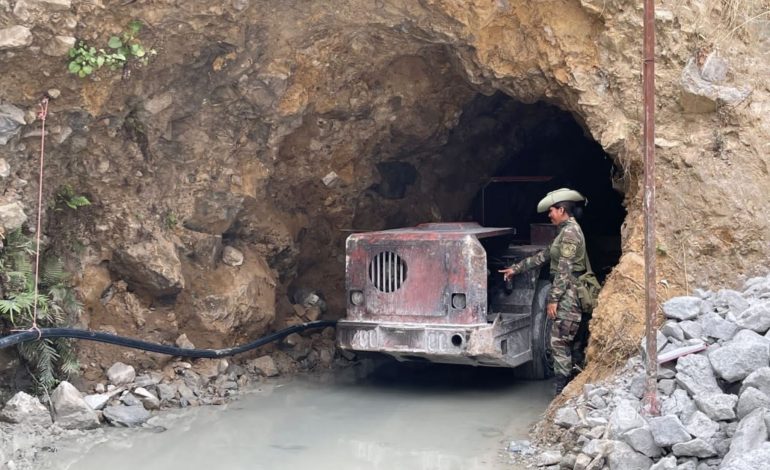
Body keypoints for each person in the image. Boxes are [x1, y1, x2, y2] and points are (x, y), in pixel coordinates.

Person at [498, 188, 591, 395]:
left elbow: (564, 270)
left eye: (551, 211)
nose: (549, 215)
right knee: (566, 339)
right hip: (567, 291)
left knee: (558, 340)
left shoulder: (570, 233)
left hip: (569, 293)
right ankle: (569, 385)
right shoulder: (563, 232)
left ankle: (562, 390)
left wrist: (553, 299)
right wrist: (517, 268)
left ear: (562, 210)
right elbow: (545, 256)